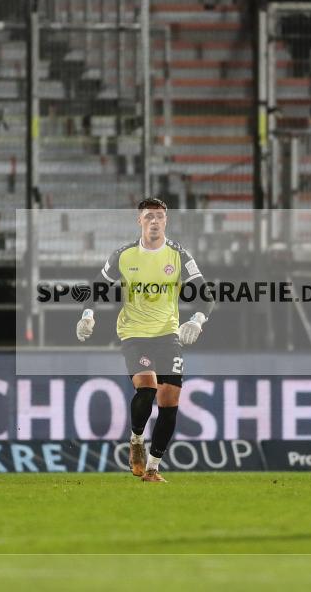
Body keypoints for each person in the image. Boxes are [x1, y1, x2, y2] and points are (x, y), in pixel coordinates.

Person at [75, 198, 214, 483]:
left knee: (170, 400)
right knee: (148, 388)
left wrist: (197, 321)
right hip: (134, 334)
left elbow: (206, 296)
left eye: (160, 216)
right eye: (149, 216)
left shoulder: (179, 255)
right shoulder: (124, 255)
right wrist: (87, 315)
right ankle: (136, 440)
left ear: (166, 221)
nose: (154, 221)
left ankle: (152, 468)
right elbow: (97, 287)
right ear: (139, 220)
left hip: (168, 335)